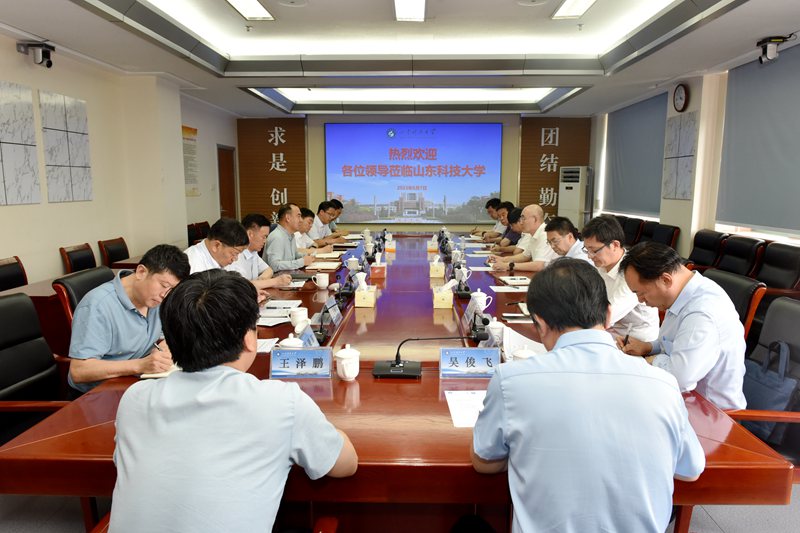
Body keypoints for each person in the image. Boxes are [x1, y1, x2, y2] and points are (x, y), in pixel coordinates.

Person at [109, 270, 358, 531]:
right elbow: (345, 464)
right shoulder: (281, 403)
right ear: (249, 339)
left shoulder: (134, 399)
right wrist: (331, 431)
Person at [471, 258, 705, 533]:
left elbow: (484, 462)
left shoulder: (510, 380)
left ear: (540, 324)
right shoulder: (664, 384)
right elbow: (690, 470)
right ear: (608, 315)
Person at [618, 241, 747, 410]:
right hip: (682, 400)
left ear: (665, 280)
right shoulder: (681, 293)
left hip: (711, 413)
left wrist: (652, 359)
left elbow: (680, 377)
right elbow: (672, 342)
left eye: (641, 293)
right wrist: (648, 347)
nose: (640, 300)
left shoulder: (702, 312)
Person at [68, 244, 190, 393]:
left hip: (137, 383)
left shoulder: (155, 299)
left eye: (172, 289)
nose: (165, 295)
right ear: (141, 272)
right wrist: (140, 365)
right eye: (163, 285)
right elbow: (79, 370)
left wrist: (166, 348)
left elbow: (166, 335)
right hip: (98, 394)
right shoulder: (98, 306)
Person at [581, 214, 659, 343]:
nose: (589, 256)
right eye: (587, 250)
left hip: (636, 341)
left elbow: (605, 318)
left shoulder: (632, 273)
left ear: (615, 245)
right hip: (610, 333)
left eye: (594, 250)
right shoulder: (601, 265)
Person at [225, 213, 291, 289]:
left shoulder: (253, 253)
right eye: (264, 237)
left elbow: (269, 270)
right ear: (250, 234)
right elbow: (242, 287)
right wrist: (275, 281)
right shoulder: (235, 256)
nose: (265, 241)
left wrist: (261, 281)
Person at [490, 204, 558, 272]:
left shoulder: (545, 234)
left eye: (523, 219)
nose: (521, 222)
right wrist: (502, 259)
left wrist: (509, 265)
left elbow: (539, 265)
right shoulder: (533, 234)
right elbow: (524, 256)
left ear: (534, 219)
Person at [184, 217, 249, 274]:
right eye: (235, 253)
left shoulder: (221, 257)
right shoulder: (193, 264)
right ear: (216, 245)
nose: (235, 259)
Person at [265, 203, 315, 272]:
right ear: (288, 218)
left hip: (288, 274)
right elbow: (274, 265)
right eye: (298, 216)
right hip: (278, 277)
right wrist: (301, 262)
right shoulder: (277, 237)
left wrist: (307, 256)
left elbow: (294, 255)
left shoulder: (291, 235)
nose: (301, 220)